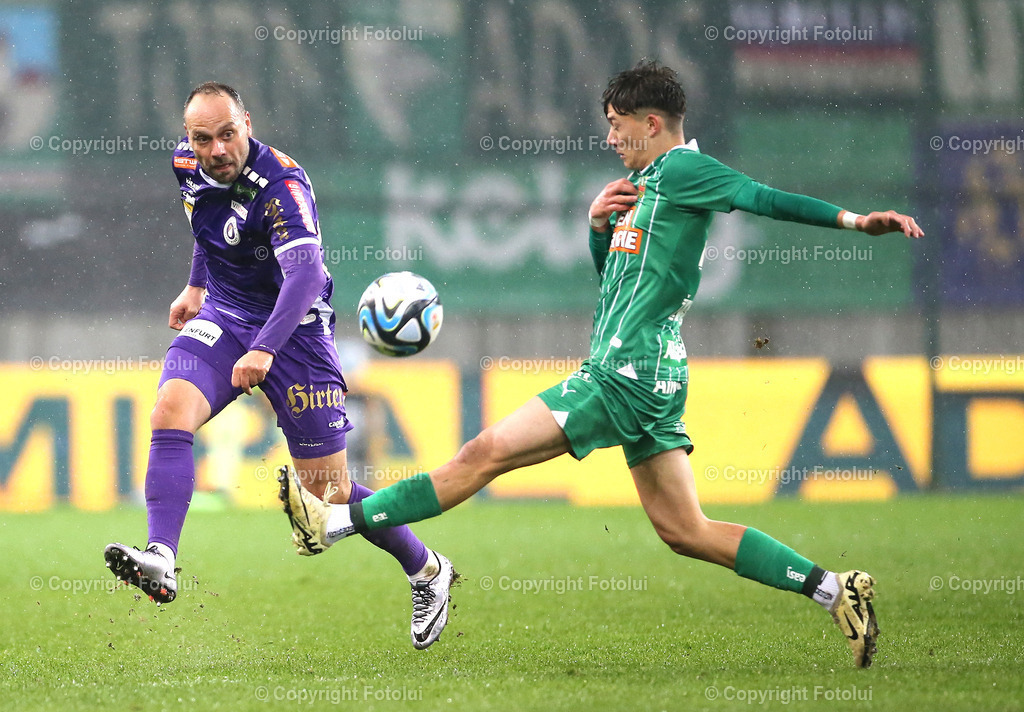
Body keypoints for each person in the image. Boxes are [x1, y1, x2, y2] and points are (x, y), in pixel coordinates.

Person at [278, 61, 924, 668]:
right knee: (684, 530)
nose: (611, 137)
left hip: (626, 372)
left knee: (483, 453)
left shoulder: (682, 172)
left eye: (618, 124)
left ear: (652, 123)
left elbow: (761, 197)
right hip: (648, 375)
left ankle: (336, 524)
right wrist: (596, 227)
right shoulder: (640, 189)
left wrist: (856, 221)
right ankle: (836, 589)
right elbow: (611, 283)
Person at [103, 81, 456, 650]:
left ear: (248, 122)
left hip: (295, 332)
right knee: (170, 410)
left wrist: (265, 348)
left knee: (329, 490)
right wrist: (196, 285)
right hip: (224, 312)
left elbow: (307, 277)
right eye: (202, 138)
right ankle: (162, 557)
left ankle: (427, 570)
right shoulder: (187, 163)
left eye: (227, 135)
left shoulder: (282, 187)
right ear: (187, 137)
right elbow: (206, 218)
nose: (216, 150)